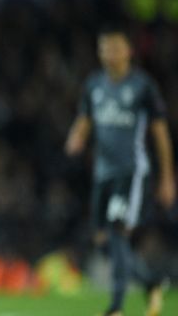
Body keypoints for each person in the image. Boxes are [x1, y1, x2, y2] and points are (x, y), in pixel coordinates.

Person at [65, 27, 175, 316]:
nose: (109, 54)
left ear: (129, 51)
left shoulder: (142, 86)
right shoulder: (94, 84)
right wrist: (76, 136)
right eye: (104, 49)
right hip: (103, 174)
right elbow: (85, 117)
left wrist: (167, 177)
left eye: (115, 48)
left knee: (116, 233)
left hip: (131, 172)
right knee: (102, 243)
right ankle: (150, 284)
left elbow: (160, 132)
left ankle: (115, 308)